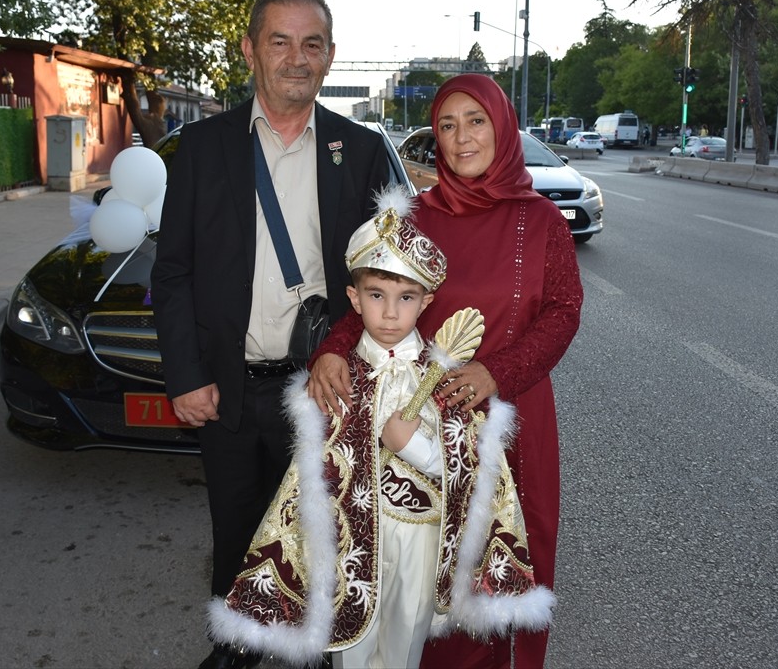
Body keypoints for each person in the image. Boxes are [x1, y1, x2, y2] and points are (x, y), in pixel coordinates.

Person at [208, 186, 553, 668]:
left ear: (427, 300)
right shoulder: (338, 378)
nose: (390, 313)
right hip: (352, 547)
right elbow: (310, 478)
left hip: (419, 543)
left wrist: (412, 446)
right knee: (352, 650)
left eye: (405, 297)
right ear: (354, 297)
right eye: (376, 295)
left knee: (404, 650)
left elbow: (468, 470)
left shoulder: (442, 378)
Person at [150, 0, 394, 669]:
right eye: (279, 42)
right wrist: (186, 376)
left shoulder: (361, 149)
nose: (296, 58)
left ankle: (312, 648)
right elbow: (171, 274)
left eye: (311, 44)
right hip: (226, 386)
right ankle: (235, 644)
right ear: (250, 50)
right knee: (235, 531)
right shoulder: (201, 148)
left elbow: (382, 278)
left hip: (322, 386)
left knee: (319, 531)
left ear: (331, 55)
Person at [308, 74, 584, 669]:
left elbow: (563, 314)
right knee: (433, 560)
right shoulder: (412, 218)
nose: (461, 139)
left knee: (511, 561)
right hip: (427, 416)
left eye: (475, 121)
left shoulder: (541, 221)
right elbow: (374, 297)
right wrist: (332, 348)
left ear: (503, 127)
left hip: (516, 415)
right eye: (447, 127)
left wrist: (498, 372)